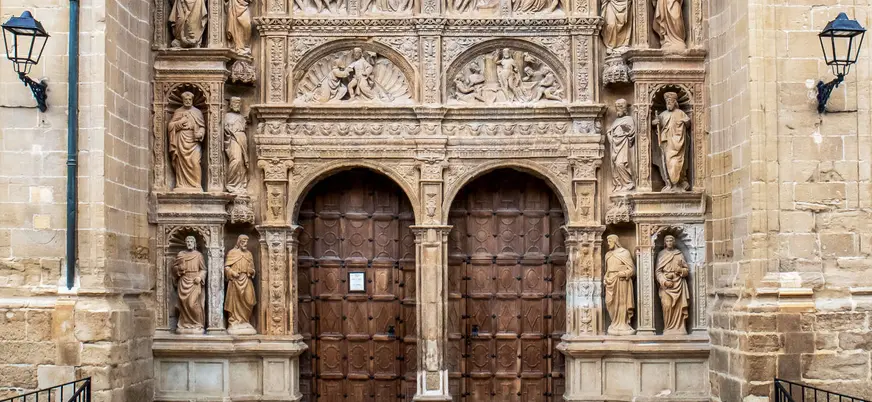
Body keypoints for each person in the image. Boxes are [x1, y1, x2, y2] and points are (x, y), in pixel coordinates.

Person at [168, 92, 206, 191]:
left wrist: (200, 134)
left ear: (192, 100)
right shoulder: (178, 111)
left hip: (193, 140)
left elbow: (202, 127)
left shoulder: (197, 112)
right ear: (183, 100)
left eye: (189, 100)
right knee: (181, 162)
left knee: (195, 162)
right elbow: (170, 126)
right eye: (186, 100)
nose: (188, 101)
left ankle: (197, 184)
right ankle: (181, 184)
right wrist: (181, 122)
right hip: (181, 139)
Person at [652, 92, 690, 191]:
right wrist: (654, 122)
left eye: (670, 101)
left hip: (678, 142)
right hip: (667, 143)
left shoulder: (680, 113)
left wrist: (686, 122)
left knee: (677, 162)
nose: (668, 103)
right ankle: (669, 183)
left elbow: (688, 123)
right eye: (667, 102)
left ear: (675, 102)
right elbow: (656, 125)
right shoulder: (662, 115)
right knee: (667, 162)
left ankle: (678, 183)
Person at [656, 235, 690, 334]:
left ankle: (679, 327)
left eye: (671, 241)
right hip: (666, 285)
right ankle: (668, 327)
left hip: (679, 283)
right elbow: (658, 272)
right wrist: (664, 281)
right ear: (665, 243)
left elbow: (686, 270)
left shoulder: (679, 254)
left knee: (679, 307)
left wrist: (680, 270)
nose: (669, 242)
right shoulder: (661, 254)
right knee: (667, 305)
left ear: (674, 242)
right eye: (667, 241)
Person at [224, 235, 257, 335]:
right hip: (235, 281)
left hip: (246, 280)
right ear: (239, 242)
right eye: (243, 241)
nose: (245, 243)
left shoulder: (249, 254)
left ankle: (245, 321)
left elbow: (253, 269)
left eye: (247, 241)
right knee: (234, 301)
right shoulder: (232, 253)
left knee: (249, 300)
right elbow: (226, 267)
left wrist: (251, 271)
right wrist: (232, 272)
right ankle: (234, 322)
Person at [174, 236, 207, 334]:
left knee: (192, 303)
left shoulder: (198, 255)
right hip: (183, 280)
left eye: (191, 241)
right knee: (183, 304)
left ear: (194, 243)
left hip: (194, 281)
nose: (189, 243)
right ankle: (185, 324)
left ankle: (198, 324)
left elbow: (203, 269)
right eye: (187, 241)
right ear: (185, 243)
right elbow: (174, 267)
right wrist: (179, 269)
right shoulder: (181, 254)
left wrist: (200, 277)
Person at [604, 235, 636, 335]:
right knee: (609, 302)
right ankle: (614, 323)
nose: (608, 243)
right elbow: (607, 271)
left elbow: (632, 270)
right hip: (610, 282)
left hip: (622, 282)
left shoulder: (624, 253)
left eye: (609, 241)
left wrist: (623, 274)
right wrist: (605, 278)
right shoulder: (608, 255)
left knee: (622, 302)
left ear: (615, 241)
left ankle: (623, 324)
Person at [607, 99, 637, 192]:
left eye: (620, 107)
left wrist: (625, 131)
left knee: (620, 164)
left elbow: (632, 132)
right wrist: (609, 134)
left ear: (624, 109)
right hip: (615, 145)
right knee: (615, 165)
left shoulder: (629, 119)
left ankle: (628, 183)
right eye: (617, 108)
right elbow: (610, 131)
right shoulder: (616, 120)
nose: (618, 110)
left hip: (624, 144)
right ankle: (619, 184)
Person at [224, 97, 249, 194]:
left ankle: (240, 184)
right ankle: (232, 184)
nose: (237, 105)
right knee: (236, 160)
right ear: (230, 105)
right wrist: (231, 133)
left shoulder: (241, 117)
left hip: (242, 139)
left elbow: (245, 126)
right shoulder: (227, 116)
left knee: (242, 163)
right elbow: (225, 130)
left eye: (238, 104)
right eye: (234, 103)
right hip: (233, 139)